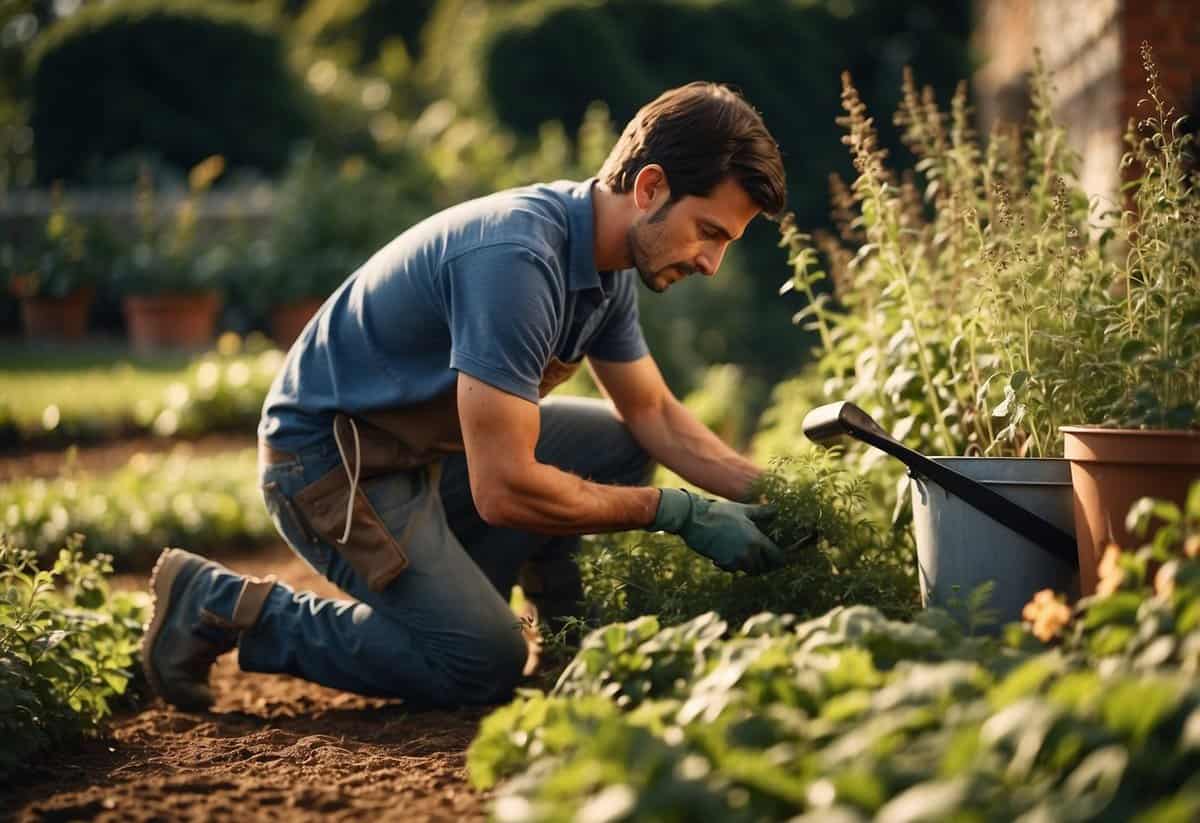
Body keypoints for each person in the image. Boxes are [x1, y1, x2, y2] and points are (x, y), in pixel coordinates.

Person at [141, 81, 789, 711]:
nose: (711, 263)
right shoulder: (518, 261)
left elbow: (652, 414)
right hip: (329, 464)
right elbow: (503, 487)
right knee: (483, 660)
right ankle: (224, 604)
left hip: (423, 452)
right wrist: (676, 511)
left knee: (616, 443)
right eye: (709, 232)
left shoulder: (606, 269)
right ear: (650, 188)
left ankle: (565, 647)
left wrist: (780, 495)